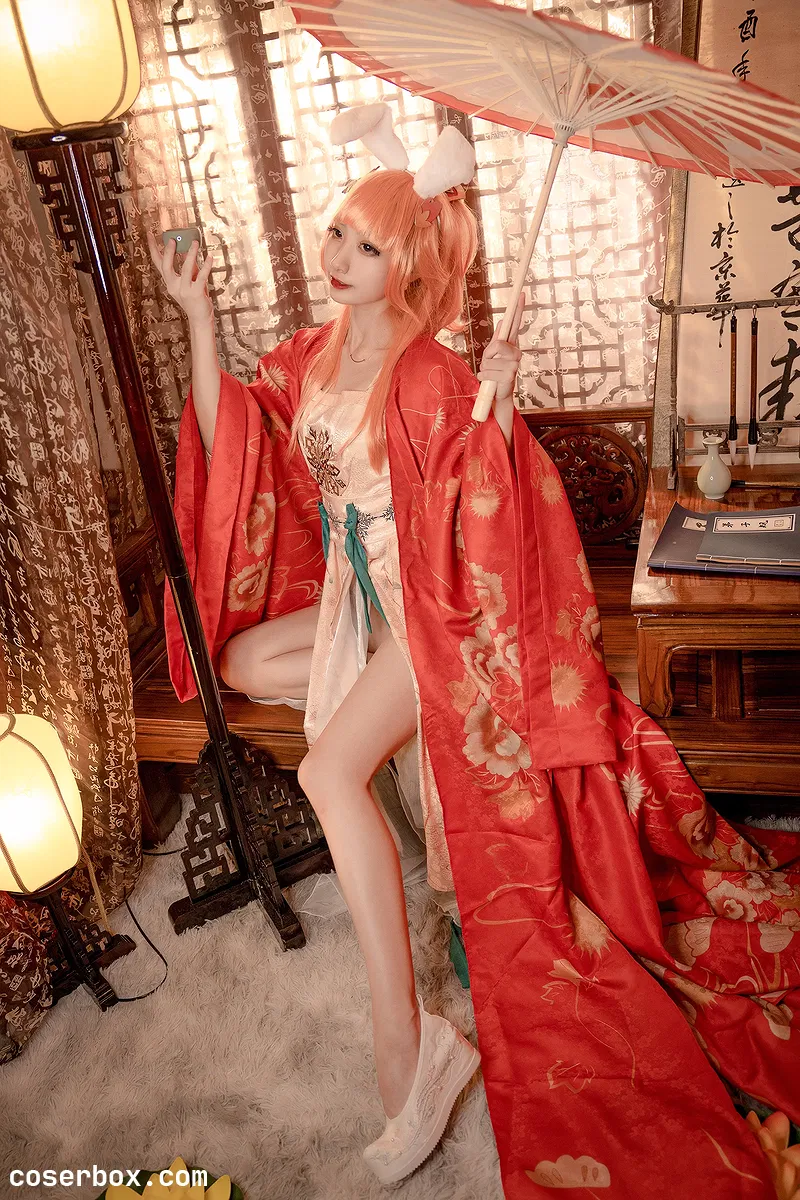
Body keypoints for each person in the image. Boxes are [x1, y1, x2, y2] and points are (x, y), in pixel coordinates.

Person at [150, 104, 800, 1199]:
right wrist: (197, 317)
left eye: (367, 246)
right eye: (339, 232)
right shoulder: (313, 351)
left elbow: (492, 511)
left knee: (325, 771)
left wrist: (491, 416)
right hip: (359, 596)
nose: (341, 257)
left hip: (434, 607)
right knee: (245, 663)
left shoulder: (431, 373)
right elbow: (239, 448)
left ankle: (408, 1046)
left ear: (406, 266)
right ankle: (407, 754)